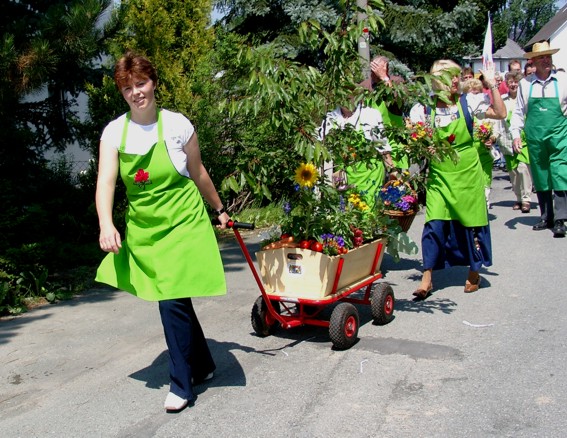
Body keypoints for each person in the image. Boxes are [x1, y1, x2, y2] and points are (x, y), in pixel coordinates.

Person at [94, 52, 230, 412]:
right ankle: (203, 365)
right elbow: (106, 182)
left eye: (141, 83)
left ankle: (181, 384)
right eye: (127, 87)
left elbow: (198, 173)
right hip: (145, 227)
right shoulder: (114, 133)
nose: (136, 92)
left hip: (183, 221)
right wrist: (106, 224)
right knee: (175, 297)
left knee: (170, 298)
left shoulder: (177, 126)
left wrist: (220, 209)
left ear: (153, 82)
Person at [408, 59, 506, 299]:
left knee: (472, 222)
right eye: (450, 76)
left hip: (468, 171)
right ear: (437, 81)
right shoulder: (423, 109)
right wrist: (424, 148)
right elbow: (415, 141)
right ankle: (427, 277)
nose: (455, 80)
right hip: (440, 176)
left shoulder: (468, 102)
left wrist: (492, 85)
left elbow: (501, 113)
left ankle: (474, 271)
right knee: (434, 223)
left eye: (457, 75)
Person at [510, 41, 567, 237]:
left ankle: (561, 218)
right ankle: (546, 216)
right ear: (533, 62)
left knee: (559, 172)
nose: (546, 60)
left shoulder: (563, 80)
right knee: (541, 174)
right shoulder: (526, 84)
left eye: (548, 57)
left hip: (559, 134)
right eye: (542, 57)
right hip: (535, 136)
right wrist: (516, 135)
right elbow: (518, 112)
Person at [318, 103, 393, 208]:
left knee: (368, 212)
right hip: (343, 177)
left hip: (370, 174)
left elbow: (382, 146)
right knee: (346, 214)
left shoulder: (370, 114)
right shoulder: (331, 116)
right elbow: (321, 146)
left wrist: (393, 172)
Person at [493, 71, 533, 213]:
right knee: (514, 172)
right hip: (507, 141)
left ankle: (526, 199)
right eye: (511, 82)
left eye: (516, 82)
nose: (513, 84)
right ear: (507, 84)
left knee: (523, 168)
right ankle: (518, 198)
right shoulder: (503, 100)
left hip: (524, 140)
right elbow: (497, 120)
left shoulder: (526, 99)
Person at [463, 78, 499, 209]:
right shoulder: (465, 113)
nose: (475, 96)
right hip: (469, 153)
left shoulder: (485, 111)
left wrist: (492, 138)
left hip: (485, 152)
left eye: (478, 92)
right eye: (472, 92)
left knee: (485, 179)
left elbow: (495, 127)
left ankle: (485, 203)